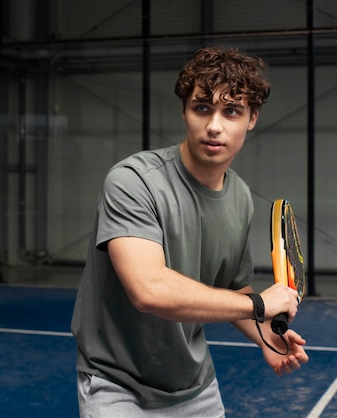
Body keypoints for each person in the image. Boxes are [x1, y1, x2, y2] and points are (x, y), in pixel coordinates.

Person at [71, 46, 308, 417]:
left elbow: (231, 288)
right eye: (202, 108)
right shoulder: (133, 182)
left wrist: (265, 333)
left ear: (251, 119)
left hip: (195, 387)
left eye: (231, 111)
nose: (215, 125)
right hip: (116, 384)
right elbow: (148, 290)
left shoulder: (241, 197)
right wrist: (260, 306)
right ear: (185, 111)